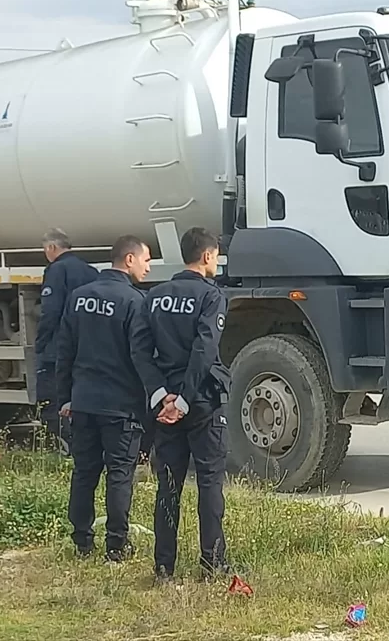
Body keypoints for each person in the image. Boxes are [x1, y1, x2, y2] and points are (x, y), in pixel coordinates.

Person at [54, 235, 167, 562]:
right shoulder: (135, 301)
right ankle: (116, 546)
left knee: (85, 472)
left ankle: (82, 542)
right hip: (121, 405)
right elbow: (142, 356)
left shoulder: (78, 297)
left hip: (84, 402)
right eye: (146, 259)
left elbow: (65, 353)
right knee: (120, 474)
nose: (148, 266)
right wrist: (156, 397)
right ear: (128, 260)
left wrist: (65, 397)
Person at [144, 228, 232, 583]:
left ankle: (164, 566)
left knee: (168, 485)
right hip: (201, 403)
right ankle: (212, 563)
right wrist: (183, 398)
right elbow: (204, 350)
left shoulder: (154, 296)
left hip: (164, 407)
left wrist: (161, 395)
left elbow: (140, 349)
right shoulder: (211, 297)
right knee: (209, 483)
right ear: (208, 256)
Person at [34, 229, 98, 454]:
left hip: (58, 348)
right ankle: (87, 446)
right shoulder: (90, 271)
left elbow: (50, 311)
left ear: (51, 248)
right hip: (86, 346)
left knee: (54, 399)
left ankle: (67, 447)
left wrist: (40, 343)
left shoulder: (56, 270)